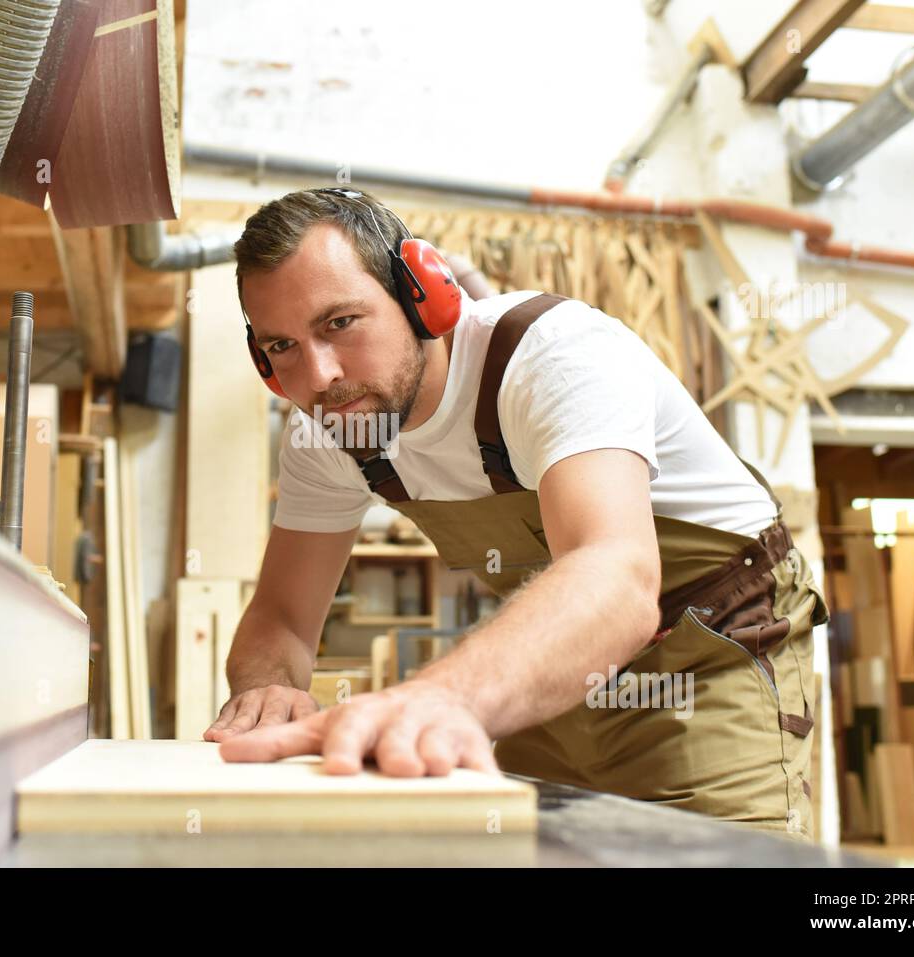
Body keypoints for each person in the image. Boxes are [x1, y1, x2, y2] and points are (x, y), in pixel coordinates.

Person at [203, 186, 828, 836]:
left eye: (340, 323)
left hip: (712, 656)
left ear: (424, 294)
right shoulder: (329, 429)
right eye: (281, 347)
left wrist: (438, 695)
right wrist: (266, 689)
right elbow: (281, 616)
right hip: (557, 664)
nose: (320, 374)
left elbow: (615, 575)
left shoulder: (554, 355)